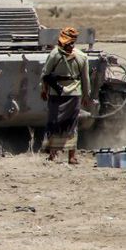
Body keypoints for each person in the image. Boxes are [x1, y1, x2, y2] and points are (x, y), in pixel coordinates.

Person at [40, 27, 91, 164]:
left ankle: (56, 155)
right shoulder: (81, 56)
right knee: (69, 125)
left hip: (57, 94)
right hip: (73, 94)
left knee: (56, 123)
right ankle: (68, 156)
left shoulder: (54, 54)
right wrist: (86, 95)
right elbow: (86, 79)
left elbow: (45, 74)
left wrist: (43, 90)